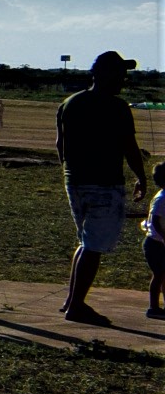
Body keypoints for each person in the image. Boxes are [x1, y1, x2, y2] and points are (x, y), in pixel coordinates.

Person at [53, 50, 149, 328]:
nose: (122, 80)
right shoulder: (117, 107)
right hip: (105, 184)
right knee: (93, 247)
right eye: (118, 74)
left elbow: (60, 145)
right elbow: (129, 147)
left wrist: (69, 171)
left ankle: (71, 300)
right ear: (101, 75)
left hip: (75, 181)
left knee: (86, 242)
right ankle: (77, 306)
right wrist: (141, 178)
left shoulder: (69, 103)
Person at [144, 178, 165, 321]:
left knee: (163, 275)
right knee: (159, 275)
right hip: (155, 243)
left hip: (159, 242)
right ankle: (153, 308)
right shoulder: (162, 198)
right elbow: (156, 221)